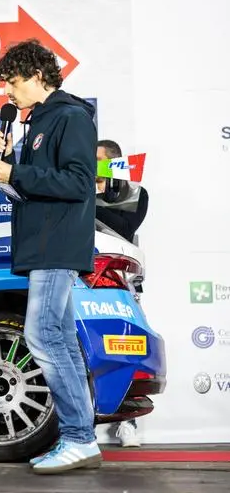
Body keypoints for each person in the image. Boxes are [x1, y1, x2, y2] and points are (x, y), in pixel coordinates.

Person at [0, 39, 101, 474]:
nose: (7, 93)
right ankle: (80, 436)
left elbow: (77, 183)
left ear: (36, 76)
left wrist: (16, 171)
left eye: (12, 83)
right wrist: (7, 162)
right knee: (61, 340)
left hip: (56, 245)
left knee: (44, 337)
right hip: (43, 243)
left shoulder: (69, 117)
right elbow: (43, 181)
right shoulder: (38, 122)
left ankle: (78, 438)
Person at [96, 139, 148, 448]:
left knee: (126, 348)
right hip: (85, 277)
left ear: (113, 163)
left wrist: (95, 198)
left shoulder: (134, 193)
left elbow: (125, 226)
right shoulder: (81, 189)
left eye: (98, 161)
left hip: (121, 281)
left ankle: (128, 421)